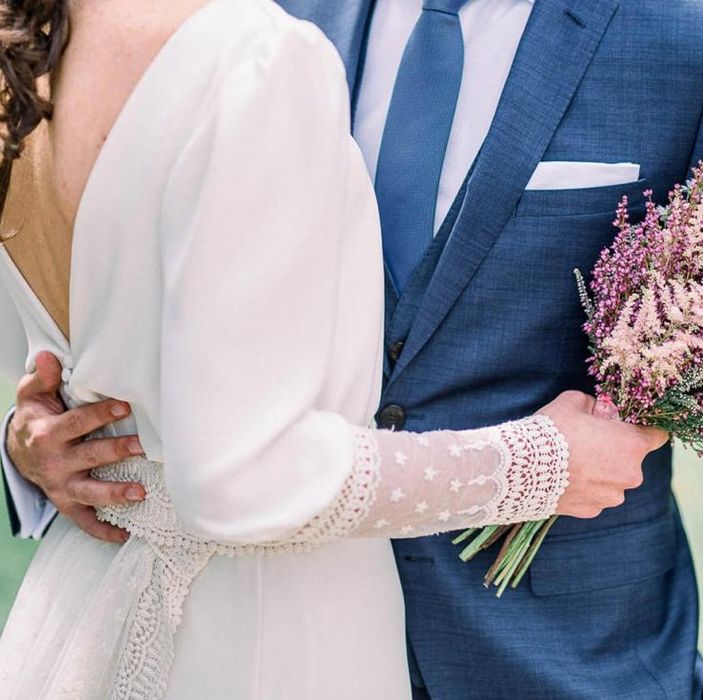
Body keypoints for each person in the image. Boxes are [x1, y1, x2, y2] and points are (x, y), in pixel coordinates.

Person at [0, 0, 666, 697]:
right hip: (269, 633)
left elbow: (83, 339)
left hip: (83, 607)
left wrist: (33, 434)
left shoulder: (38, 39)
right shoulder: (257, 54)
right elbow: (240, 479)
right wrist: (538, 464)